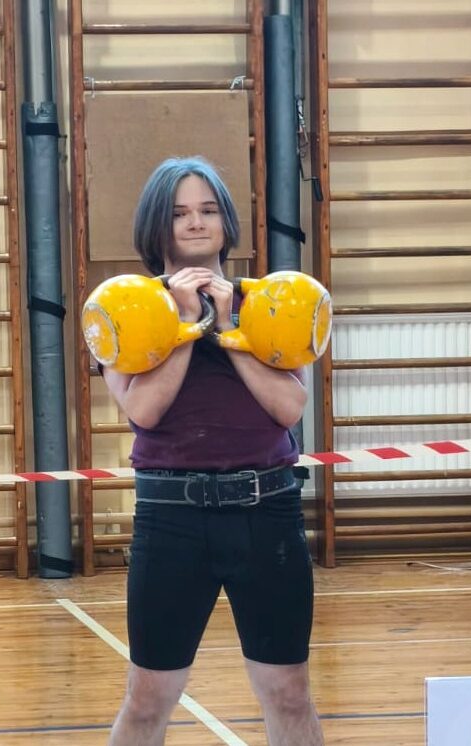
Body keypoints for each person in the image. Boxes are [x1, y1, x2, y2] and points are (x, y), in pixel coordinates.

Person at [102, 156, 324, 746]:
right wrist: (184, 323)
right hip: (172, 518)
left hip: (267, 513)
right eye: (180, 213)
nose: (196, 223)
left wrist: (229, 328)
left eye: (207, 210)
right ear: (157, 227)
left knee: (289, 692)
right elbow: (143, 410)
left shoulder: (268, 303)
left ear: (227, 221)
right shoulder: (124, 309)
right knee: (148, 699)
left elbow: (289, 408)